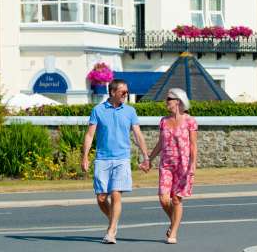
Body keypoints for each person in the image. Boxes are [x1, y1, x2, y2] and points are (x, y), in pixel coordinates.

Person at [81, 79, 151, 244]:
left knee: (116, 194)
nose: (126, 95)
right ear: (112, 92)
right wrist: (85, 157)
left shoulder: (130, 111)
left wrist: (146, 156)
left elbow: (138, 135)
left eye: (127, 92)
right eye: (123, 92)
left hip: (122, 159)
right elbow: (90, 135)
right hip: (102, 159)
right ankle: (114, 219)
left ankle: (111, 231)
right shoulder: (97, 110)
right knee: (101, 198)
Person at [148, 88, 198, 244]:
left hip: (183, 165)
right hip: (166, 165)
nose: (166, 102)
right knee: (163, 198)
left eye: (169, 99)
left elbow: (193, 145)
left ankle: (173, 232)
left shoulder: (190, 121)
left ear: (178, 101)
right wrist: (149, 159)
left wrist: (193, 165)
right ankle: (174, 221)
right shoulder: (163, 121)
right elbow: (161, 143)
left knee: (176, 199)